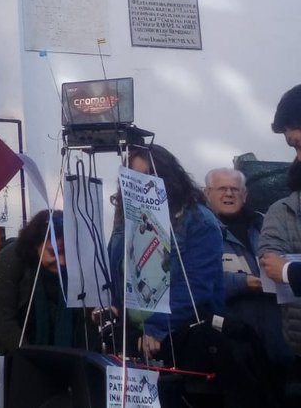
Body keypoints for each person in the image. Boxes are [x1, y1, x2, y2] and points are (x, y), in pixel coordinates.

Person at [108, 144, 224, 361]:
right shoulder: (126, 218)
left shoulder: (198, 221)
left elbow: (196, 287)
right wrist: (111, 304)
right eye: (133, 178)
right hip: (133, 335)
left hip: (178, 336)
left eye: (149, 176)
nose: (141, 185)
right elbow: (116, 270)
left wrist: (156, 327)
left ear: (169, 178)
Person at [0, 210, 89, 380]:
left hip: (47, 347)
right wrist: (31, 360)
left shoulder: (74, 267)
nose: (62, 261)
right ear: (35, 245)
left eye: (67, 253)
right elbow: (2, 316)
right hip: (3, 345)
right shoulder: (11, 258)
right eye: (54, 252)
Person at [204, 167, 291, 367]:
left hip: (278, 341)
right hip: (230, 345)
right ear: (206, 193)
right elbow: (197, 280)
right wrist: (243, 283)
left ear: (245, 195)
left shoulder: (266, 225)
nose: (229, 194)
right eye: (222, 189)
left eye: (235, 189)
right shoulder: (198, 231)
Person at [259, 83, 301, 358]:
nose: (298, 157)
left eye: (298, 144)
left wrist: (287, 271)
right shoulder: (281, 210)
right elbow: (267, 259)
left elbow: (279, 268)